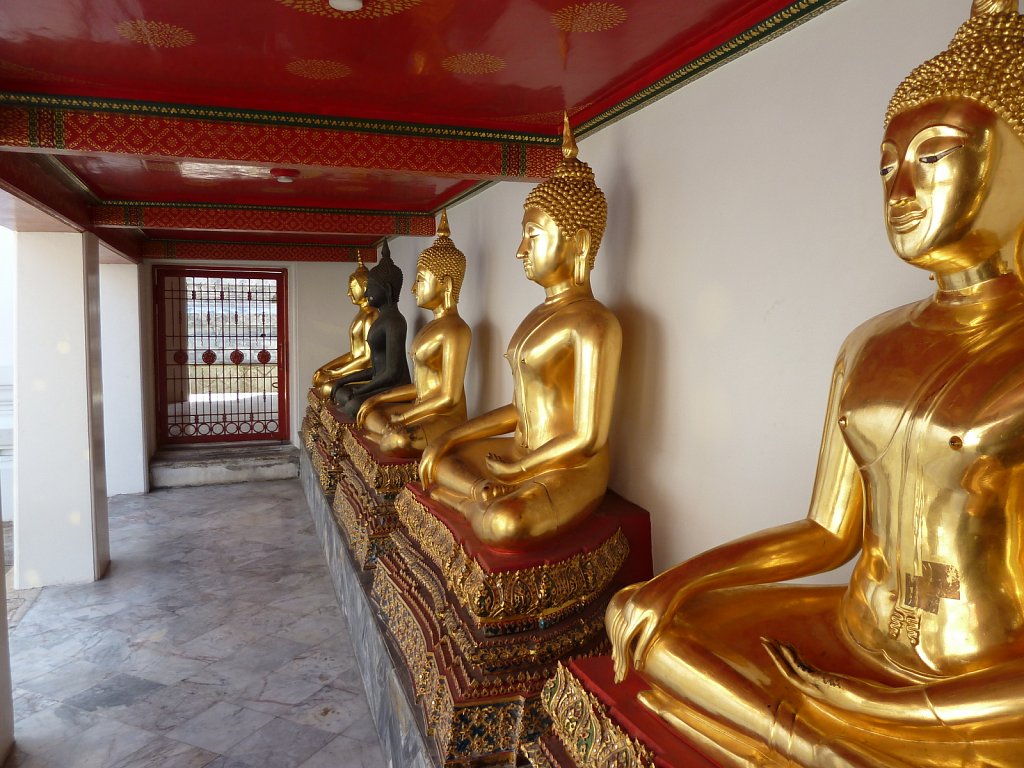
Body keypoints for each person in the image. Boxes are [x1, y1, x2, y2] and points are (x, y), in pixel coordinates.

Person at [606, 3, 1024, 765]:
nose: (899, 185)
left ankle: (809, 738)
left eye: (934, 154)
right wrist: (672, 584)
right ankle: (813, 743)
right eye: (886, 163)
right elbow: (827, 533)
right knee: (659, 631)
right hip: (850, 625)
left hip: (978, 683)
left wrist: (915, 706)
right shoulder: (869, 344)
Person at [419, 115, 622, 551]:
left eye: (532, 235)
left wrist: (518, 472)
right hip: (519, 452)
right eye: (522, 236)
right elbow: (520, 407)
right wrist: (453, 436)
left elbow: (588, 437)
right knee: (437, 457)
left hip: (568, 468)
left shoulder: (595, 323)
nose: (520, 250)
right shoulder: (536, 315)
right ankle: (478, 496)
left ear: (580, 243)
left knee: (507, 524)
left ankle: (477, 502)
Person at [356, 210, 471, 457]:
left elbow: (449, 398)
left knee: (397, 439)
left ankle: (387, 435)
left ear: (446, 284)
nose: (412, 288)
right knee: (369, 412)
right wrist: (376, 401)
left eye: (420, 280)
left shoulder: (456, 330)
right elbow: (420, 388)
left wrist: (403, 417)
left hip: (444, 418)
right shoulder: (429, 328)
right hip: (421, 410)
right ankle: (384, 431)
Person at [332, 241, 411, 418]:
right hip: (379, 382)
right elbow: (376, 369)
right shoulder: (380, 319)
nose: (366, 294)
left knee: (353, 404)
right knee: (340, 391)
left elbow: (392, 373)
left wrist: (362, 391)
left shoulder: (394, 322)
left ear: (387, 290)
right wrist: (343, 380)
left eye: (370, 288)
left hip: (395, 387)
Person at [310, 257, 377, 400]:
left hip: (366, 371)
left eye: (352, 288)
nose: (348, 292)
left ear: (364, 286)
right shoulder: (361, 315)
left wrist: (337, 373)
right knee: (318, 377)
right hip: (355, 365)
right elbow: (354, 353)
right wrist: (327, 369)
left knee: (327, 386)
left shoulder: (371, 315)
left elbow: (367, 358)